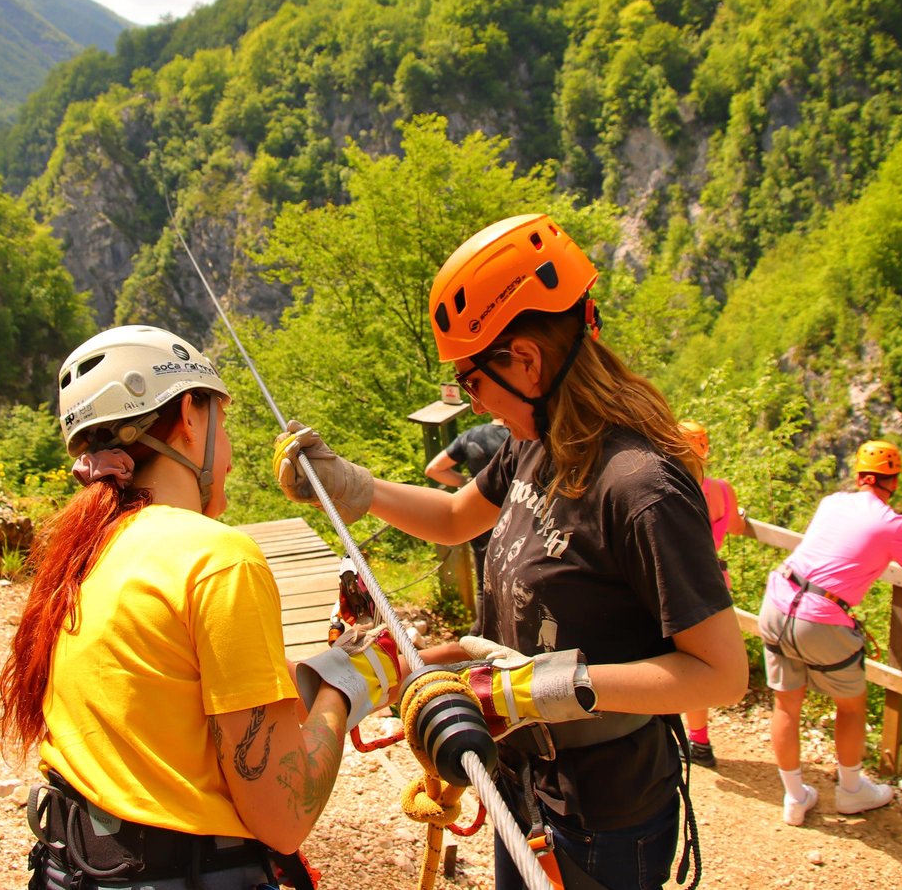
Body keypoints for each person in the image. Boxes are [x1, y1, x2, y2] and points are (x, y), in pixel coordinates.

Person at [273, 213, 748, 890]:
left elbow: (721, 673)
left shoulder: (639, 487)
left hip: (604, 815)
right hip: (524, 780)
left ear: (523, 360)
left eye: (471, 381)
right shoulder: (536, 441)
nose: (474, 402)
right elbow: (454, 517)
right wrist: (348, 487)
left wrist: (533, 689)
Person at [0, 325, 403, 890]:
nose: (229, 456)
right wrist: (350, 687)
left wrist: (320, 672)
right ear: (190, 416)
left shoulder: (83, 555)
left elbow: (172, 699)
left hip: (75, 869)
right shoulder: (219, 558)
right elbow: (285, 819)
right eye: (223, 424)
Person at [758, 439, 902, 827]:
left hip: (779, 600)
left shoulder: (832, 502)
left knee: (786, 705)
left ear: (860, 476)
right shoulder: (896, 525)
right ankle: (851, 791)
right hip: (822, 618)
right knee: (850, 704)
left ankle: (795, 798)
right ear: (893, 481)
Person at [677, 420, 746, 769]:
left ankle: (694, 737)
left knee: (683, 662)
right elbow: (735, 524)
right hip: (716, 581)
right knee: (702, 660)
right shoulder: (722, 490)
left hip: (679, 581)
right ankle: (699, 743)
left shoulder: (670, 487)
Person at [424, 419, 509, 633]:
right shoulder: (523, 436)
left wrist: (468, 482)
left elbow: (434, 469)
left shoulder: (471, 436)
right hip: (518, 511)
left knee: (484, 580)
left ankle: (483, 631)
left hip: (479, 517)